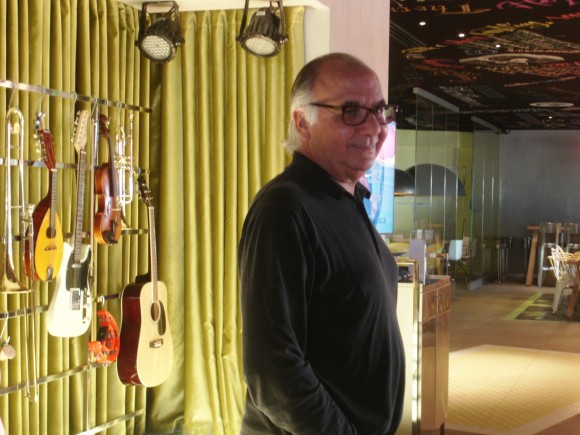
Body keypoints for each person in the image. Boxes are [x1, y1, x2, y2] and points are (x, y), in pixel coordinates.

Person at [238, 52, 405, 435]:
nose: (374, 127)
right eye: (351, 111)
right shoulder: (285, 207)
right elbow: (273, 369)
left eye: (379, 111)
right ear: (303, 122)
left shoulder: (347, 199)